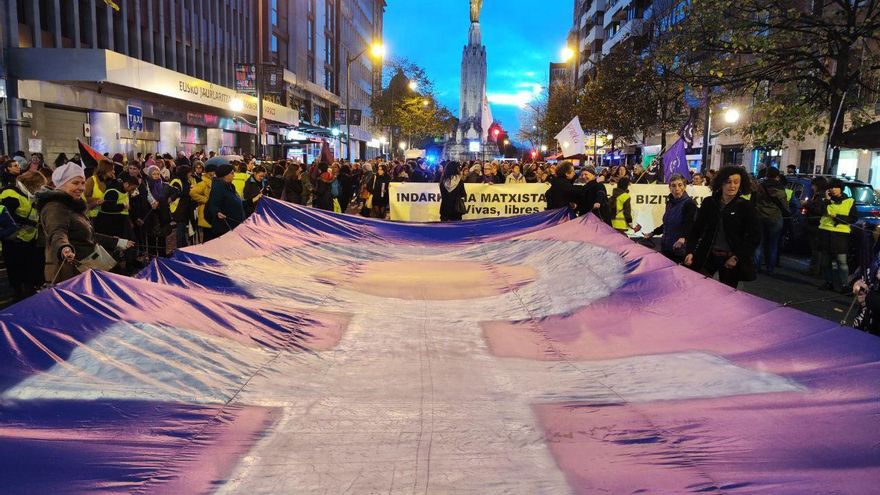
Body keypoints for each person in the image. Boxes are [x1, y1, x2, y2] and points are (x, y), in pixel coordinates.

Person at [36, 162, 134, 284]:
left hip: (84, 269)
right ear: (61, 184)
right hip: (70, 274)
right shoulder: (55, 207)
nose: (81, 188)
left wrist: (118, 242)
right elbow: (57, 232)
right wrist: (64, 247)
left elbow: (88, 235)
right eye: (75, 183)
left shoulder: (72, 205)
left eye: (82, 183)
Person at [684, 166, 760, 288]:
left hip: (730, 259)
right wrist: (690, 251)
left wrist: (737, 257)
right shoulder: (709, 203)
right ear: (721, 183)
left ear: (741, 184)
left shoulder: (746, 206)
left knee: (727, 296)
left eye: (736, 182)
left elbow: (754, 236)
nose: (732, 186)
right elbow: (696, 229)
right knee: (698, 289)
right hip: (707, 256)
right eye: (728, 182)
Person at [1, 171, 47, 300]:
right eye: (39, 185)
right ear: (32, 183)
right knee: (15, 269)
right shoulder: (10, 193)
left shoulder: (28, 194)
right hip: (14, 239)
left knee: (29, 268)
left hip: (28, 239)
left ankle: (28, 291)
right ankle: (17, 295)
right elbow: (7, 216)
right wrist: (30, 222)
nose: (40, 189)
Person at [644, 174, 696, 262]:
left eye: (680, 185)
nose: (677, 188)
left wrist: (682, 238)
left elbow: (689, 224)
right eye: (673, 185)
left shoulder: (689, 204)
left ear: (684, 186)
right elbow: (667, 224)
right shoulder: (670, 203)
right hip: (666, 247)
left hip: (680, 250)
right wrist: (653, 233)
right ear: (669, 187)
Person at [817, 178, 855, 292]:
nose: (833, 190)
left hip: (841, 234)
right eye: (831, 187)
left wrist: (838, 217)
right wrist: (827, 200)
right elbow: (819, 211)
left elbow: (853, 218)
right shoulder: (826, 200)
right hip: (826, 232)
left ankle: (844, 285)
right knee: (825, 261)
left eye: (835, 187)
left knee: (841, 261)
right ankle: (829, 282)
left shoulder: (849, 201)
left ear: (841, 189)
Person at [752, 167, 789, 274]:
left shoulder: (759, 186)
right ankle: (770, 268)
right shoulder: (780, 189)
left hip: (760, 216)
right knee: (773, 243)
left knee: (759, 242)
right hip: (775, 217)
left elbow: (753, 200)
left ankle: (757, 266)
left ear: (767, 174)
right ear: (777, 176)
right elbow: (785, 205)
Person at [206, 164, 245, 237]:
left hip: (235, 226)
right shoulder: (218, 188)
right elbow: (213, 204)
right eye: (232, 173)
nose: (234, 175)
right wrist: (217, 212)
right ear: (225, 174)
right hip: (225, 228)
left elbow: (236, 201)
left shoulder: (231, 186)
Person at [169, 165, 196, 248]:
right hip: (178, 208)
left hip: (185, 208)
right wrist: (189, 191)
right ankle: (180, 247)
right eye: (189, 172)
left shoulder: (187, 180)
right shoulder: (176, 181)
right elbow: (175, 193)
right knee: (180, 229)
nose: (190, 174)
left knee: (183, 228)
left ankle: (184, 246)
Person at [190, 163, 216, 242]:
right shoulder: (203, 183)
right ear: (209, 173)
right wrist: (206, 200)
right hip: (206, 212)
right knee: (208, 237)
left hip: (212, 212)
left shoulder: (213, 182)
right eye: (214, 172)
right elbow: (192, 193)